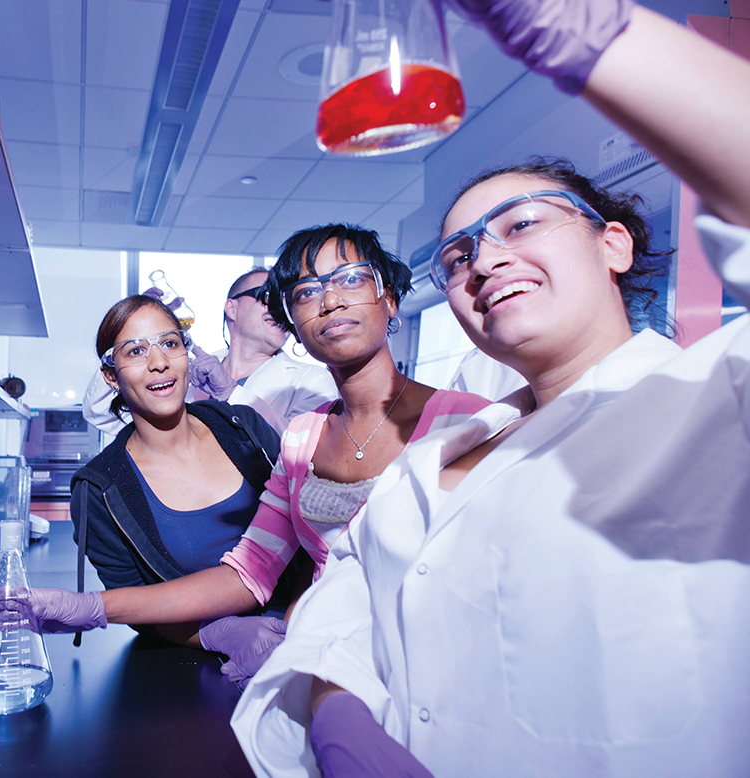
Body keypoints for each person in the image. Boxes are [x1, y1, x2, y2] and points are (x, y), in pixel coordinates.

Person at [233, 0, 750, 775]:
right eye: (460, 254)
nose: (485, 259)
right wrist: (338, 713)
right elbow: (346, 606)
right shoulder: (437, 456)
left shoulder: (719, 397)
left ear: (613, 244)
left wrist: (595, 35)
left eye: (521, 224)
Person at [0, 225, 487, 685]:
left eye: (351, 279)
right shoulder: (302, 438)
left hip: (445, 671)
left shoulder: (470, 426)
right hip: (325, 668)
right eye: (307, 292)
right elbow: (251, 569)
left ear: (390, 299)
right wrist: (93, 607)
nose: (330, 301)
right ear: (294, 324)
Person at [58, 293, 281, 648]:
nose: (159, 362)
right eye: (135, 351)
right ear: (110, 376)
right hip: (193, 679)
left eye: (169, 343)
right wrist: (215, 636)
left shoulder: (245, 429)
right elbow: (139, 611)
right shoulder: (99, 492)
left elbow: (305, 537)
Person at [83, 270, 338, 435]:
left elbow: (304, 457)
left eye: (284, 301)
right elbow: (101, 412)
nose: (279, 309)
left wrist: (231, 394)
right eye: (267, 296)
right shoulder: (184, 367)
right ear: (232, 308)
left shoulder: (312, 382)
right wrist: (132, 339)